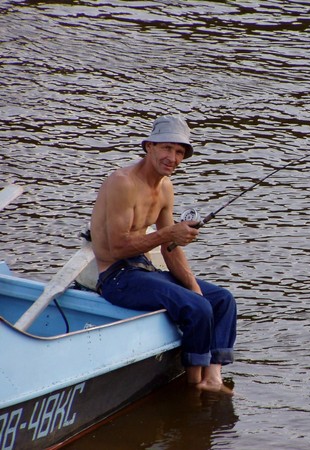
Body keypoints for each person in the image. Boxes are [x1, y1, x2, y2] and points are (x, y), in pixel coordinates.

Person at [90, 115, 237, 394]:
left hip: (145, 269)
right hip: (116, 277)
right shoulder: (123, 183)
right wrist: (169, 233)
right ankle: (194, 386)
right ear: (149, 147)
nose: (173, 158)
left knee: (221, 300)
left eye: (179, 152)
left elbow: (170, 250)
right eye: (167, 148)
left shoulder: (165, 187)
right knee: (197, 308)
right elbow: (117, 248)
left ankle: (213, 379)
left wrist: (194, 287)